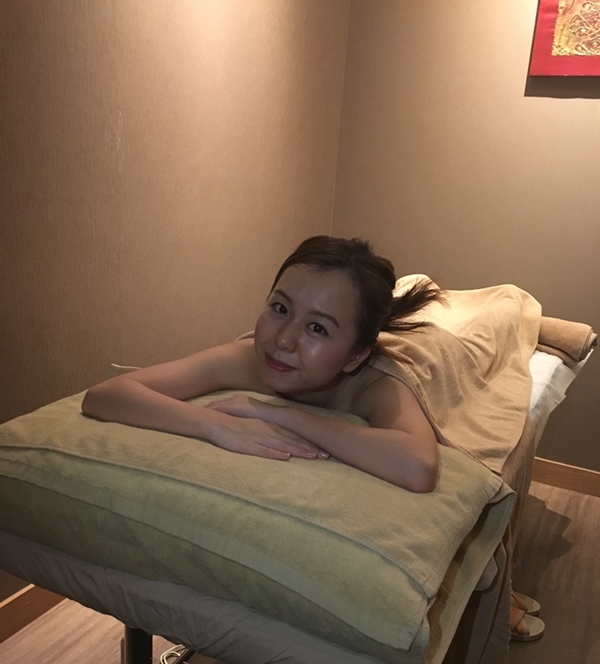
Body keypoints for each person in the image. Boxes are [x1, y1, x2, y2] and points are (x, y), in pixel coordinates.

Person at [82, 236, 444, 492]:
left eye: (317, 328)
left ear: (356, 356)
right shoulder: (248, 359)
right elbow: (105, 396)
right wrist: (216, 425)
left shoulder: (375, 385)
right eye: (280, 308)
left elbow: (418, 467)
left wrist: (277, 414)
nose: (283, 340)